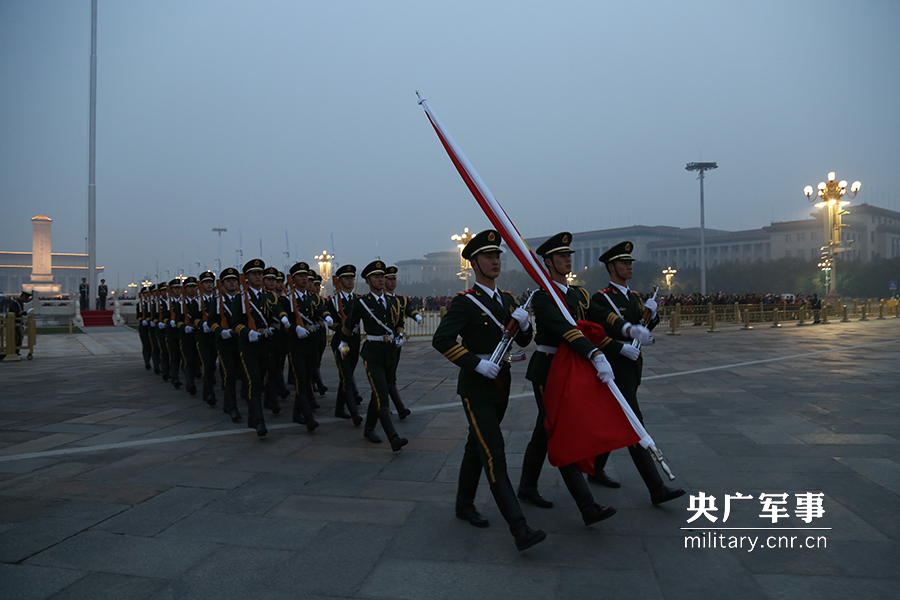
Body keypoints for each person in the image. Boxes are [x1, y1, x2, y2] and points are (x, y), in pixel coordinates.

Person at [432, 229, 546, 551]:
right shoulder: (465, 303)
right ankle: (519, 528)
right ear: (473, 263)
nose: (495, 261)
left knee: (476, 445)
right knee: (493, 451)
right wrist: (474, 363)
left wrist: (525, 325)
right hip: (477, 385)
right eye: (487, 256)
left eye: (497, 256)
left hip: (502, 381)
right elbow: (441, 340)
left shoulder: (509, 299)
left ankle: (463, 503)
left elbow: (523, 342)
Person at [517, 232, 619, 526]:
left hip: (573, 366)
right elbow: (565, 330)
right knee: (559, 430)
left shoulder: (579, 294)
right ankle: (587, 505)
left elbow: (600, 318)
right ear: (547, 262)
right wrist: (594, 354)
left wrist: (630, 329)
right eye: (561, 256)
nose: (567, 260)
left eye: (568, 255)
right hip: (548, 368)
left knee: (544, 430)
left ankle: (526, 485)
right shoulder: (543, 295)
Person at [590, 241, 684, 505]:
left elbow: (642, 332)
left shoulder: (634, 298)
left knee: (613, 421)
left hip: (632, 370)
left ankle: (595, 469)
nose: (629, 266)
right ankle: (656, 487)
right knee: (635, 424)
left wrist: (652, 317)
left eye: (630, 262)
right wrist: (619, 348)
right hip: (613, 370)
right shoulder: (602, 298)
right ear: (611, 267)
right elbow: (596, 335)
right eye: (623, 263)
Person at [339, 260, 409, 451]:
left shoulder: (393, 301)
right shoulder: (362, 302)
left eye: (382, 276)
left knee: (380, 391)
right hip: (372, 352)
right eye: (377, 277)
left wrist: (400, 334)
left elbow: (399, 321)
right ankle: (393, 437)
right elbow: (350, 324)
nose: (381, 280)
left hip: (390, 352)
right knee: (382, 395)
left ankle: (369, 428)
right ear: (368, 280)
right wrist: (342, 343)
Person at [231, 259, 289, 437]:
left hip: (266, 344)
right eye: (254, 274)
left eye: (260, 274)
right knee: (254, 382)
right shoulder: (240, 299)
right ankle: (259, 421)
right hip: (249, 345)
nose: (258, 276)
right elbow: (235, 324)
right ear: (247, 277)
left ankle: (252, 415)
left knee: (267, 378)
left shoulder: (269, 296)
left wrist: (283, 317)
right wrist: (247, 332)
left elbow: (277, 308)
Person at [284, 262, 334, 432]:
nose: (304, 279)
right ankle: (308, 416)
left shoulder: (313, 298)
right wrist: (293, 328)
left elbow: (321, 308)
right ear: (293, 279)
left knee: (307, 378)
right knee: (301, 380)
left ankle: (297, 413)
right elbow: (282, 317)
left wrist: (327, 317)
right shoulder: (287, 300)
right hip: (296, 345)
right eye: (300, 276)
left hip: (311, 344)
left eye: (306, 276)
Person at [384, 265, 422, 419]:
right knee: (385, 378)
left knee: (390, 377)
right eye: (389, 279)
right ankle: (398, 408)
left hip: (396, 343)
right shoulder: (380, 299)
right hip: (382, 343)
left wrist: (416, 316)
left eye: (394, 279)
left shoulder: (400, 300)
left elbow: (407, 311)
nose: (392, 282)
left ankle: (395, 408)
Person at [330, 264, 364, 422]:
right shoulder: (334, 301)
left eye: (351, 278)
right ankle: (354, 413)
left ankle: (338, 408)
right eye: (346, 278)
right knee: (347, 376)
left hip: (355, 342)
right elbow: (329, 322)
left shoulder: (358, 299)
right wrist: (341, 328)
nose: (350, 281)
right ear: (339, 281)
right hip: (342, 342)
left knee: (347, 374)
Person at [209, 267, 243, 423]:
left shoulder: (242, 299)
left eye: (234, 280)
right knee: (229, 374)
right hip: (224, 343)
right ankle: (232, 407)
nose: (232, 283)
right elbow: (211, 321)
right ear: (222, 284)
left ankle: (229, 403)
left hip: (239, 342)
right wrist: (219, 331)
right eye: (228, 281)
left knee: (238, 374)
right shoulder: (216, 301)